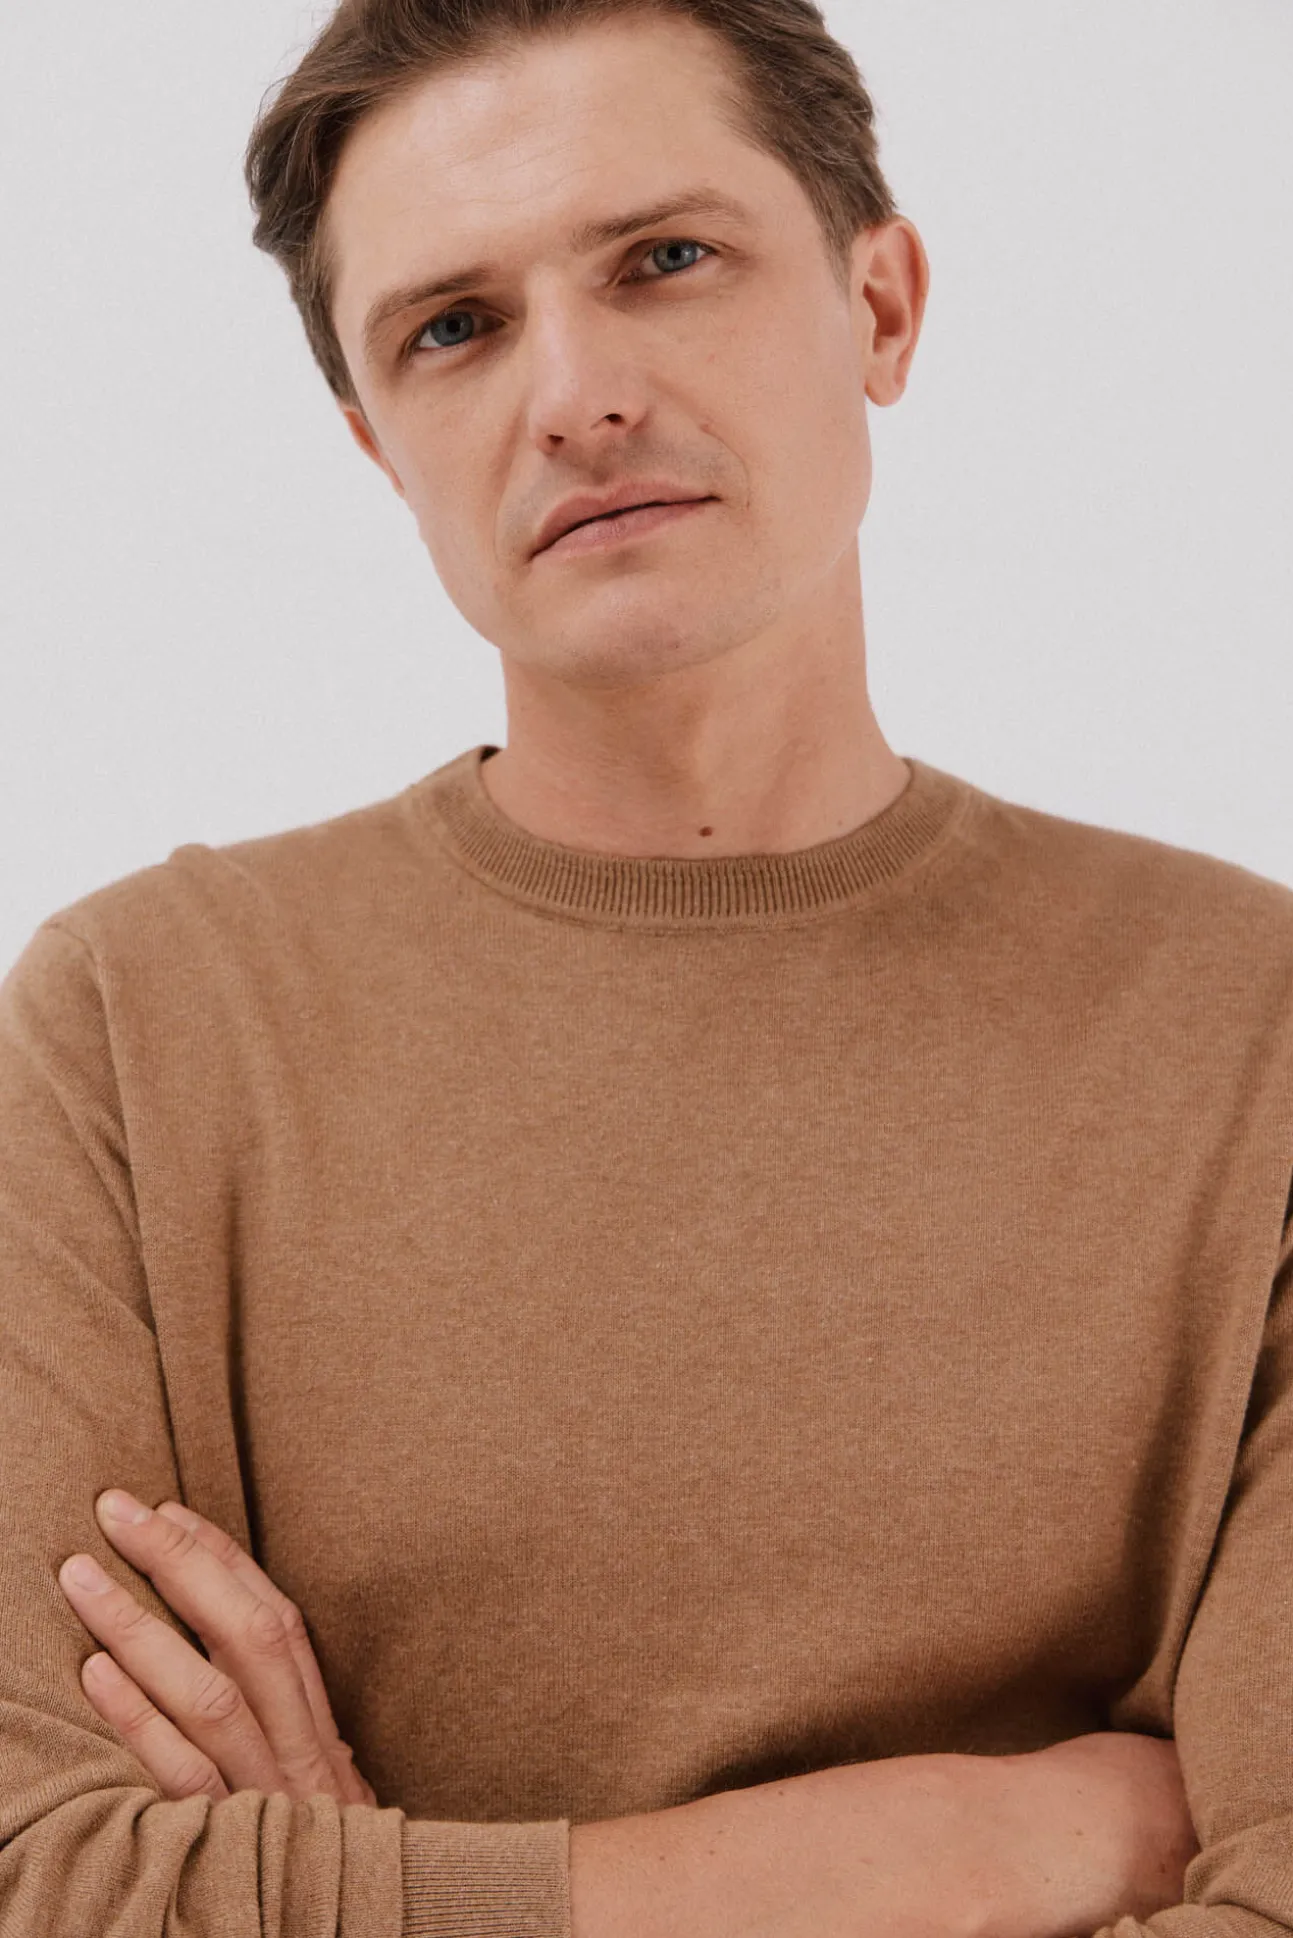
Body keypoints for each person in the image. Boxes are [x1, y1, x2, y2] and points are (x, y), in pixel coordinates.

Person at [1, 0, 1289, 1933]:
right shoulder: (136, 1028)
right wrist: (987, 1840)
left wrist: (357, 1892)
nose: (578, 394)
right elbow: (50, 1882)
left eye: (666, 259)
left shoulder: (1250, 1027)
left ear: (879, 306)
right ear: (379, 450)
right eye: (455, 328)